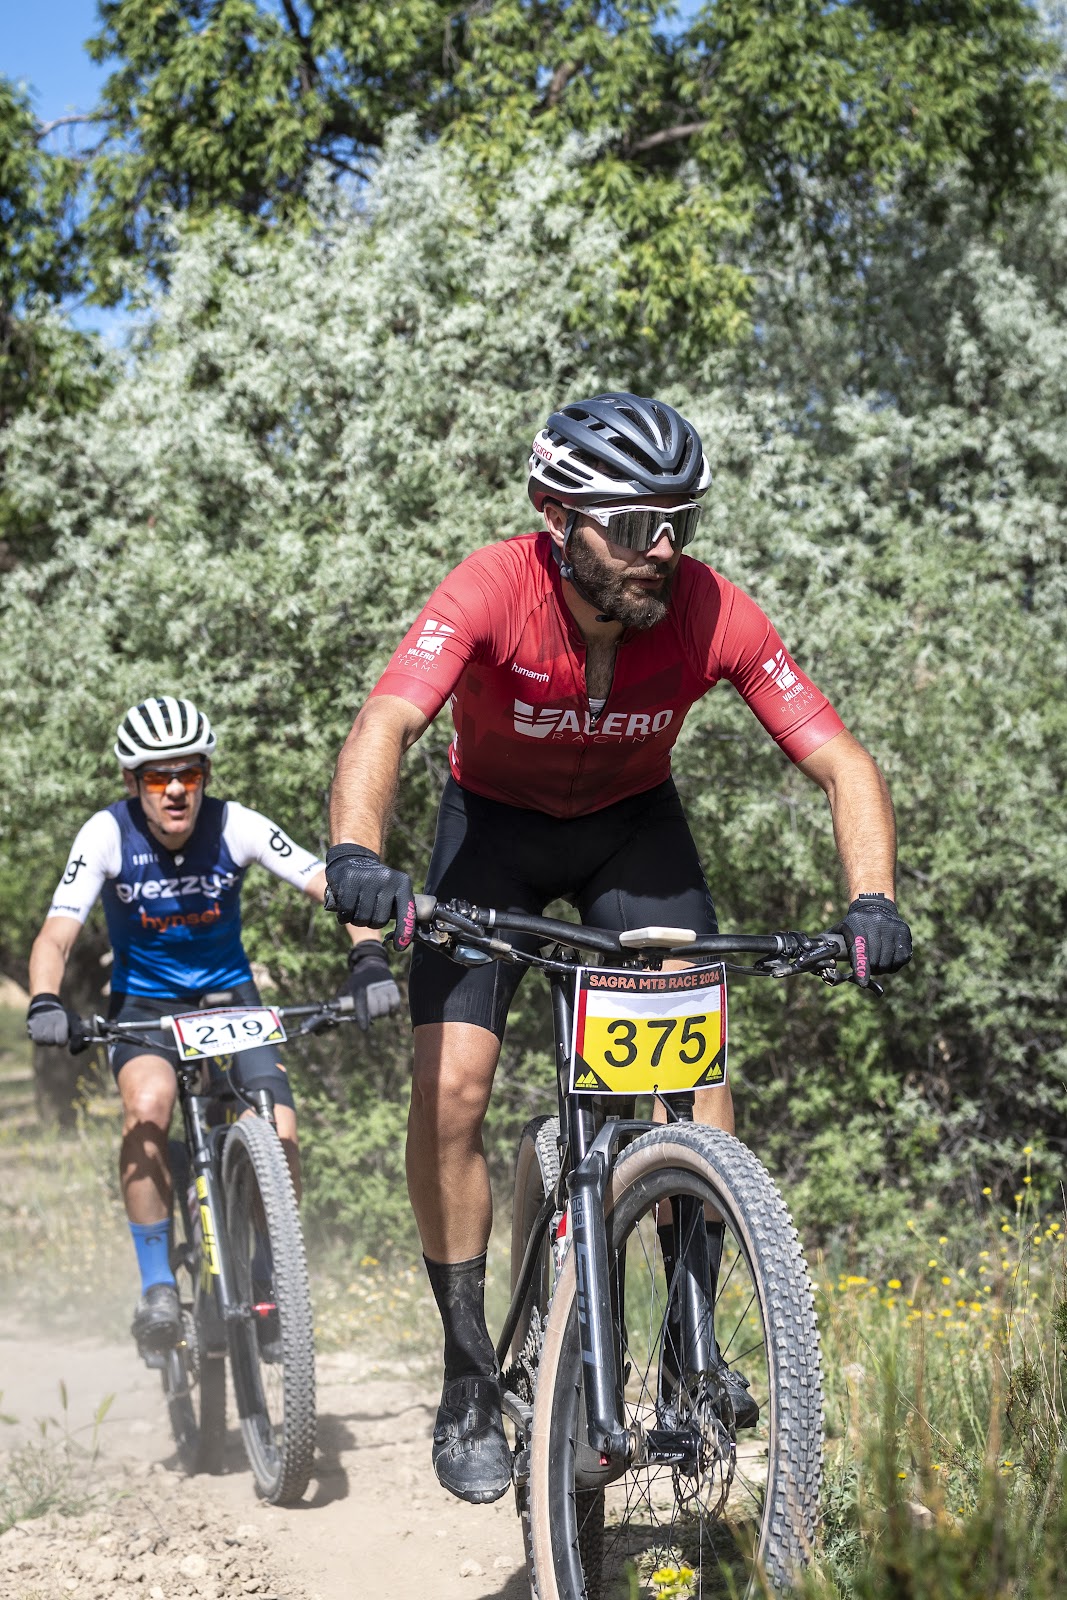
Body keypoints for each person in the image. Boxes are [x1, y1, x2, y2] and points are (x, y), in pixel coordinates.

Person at [324, 392, 912, 1504]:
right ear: (556, 516)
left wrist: (871, 900)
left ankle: (692, 1336)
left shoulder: (709, 608)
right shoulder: (489, 586)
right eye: (635, 525)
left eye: (680, 520)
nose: (664, 548)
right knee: (451, 1091)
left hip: (631, 835)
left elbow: (841, 760)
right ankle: (467, 1373)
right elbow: (384, 723)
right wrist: (357, 855)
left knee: (696, 1066)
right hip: (490, 837)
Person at [26, 695, 401, 1353]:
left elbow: (326, 884)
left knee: (278, 1128)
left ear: (205, 775)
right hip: (145, 1006)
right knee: (149, 1105)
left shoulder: (235, 825)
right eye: (157, 777)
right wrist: (45, 1001)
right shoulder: (106, 834)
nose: (175, 790)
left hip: (231, 1001)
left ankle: (270, 1280)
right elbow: (57, 935)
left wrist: (368, 957)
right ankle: (156, 1286)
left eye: (189, 773)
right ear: (132, 783)